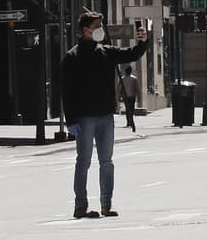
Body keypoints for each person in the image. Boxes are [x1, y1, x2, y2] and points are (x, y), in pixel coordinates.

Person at [61, 11, 149, 219]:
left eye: (101, 25)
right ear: (86, 30)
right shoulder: (72, 57)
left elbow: (132, 54)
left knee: (107, 162)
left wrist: (143, 41)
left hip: (106, 116)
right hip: (84, 117)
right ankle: (80, 206)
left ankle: (106, 204)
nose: (101, 29)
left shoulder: (106, 51)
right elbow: (66, 91)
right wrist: (70, 119)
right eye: (97, 26)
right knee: (83, 161)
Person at [119, 66, 139, 132]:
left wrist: (119, 96)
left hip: (127, 96)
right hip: (131, 96)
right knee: (130, 109)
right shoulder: (133, 78)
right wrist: (138, 95)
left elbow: (120, 88)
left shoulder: (123, 78)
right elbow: (136, 88)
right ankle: (130, 121)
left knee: (128, 109)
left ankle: (129, 121)